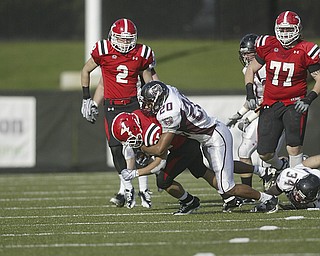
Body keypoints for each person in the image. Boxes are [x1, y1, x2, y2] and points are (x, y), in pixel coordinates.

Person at [138, 80, 280, 213]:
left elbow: (160, 149)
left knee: (227, 187)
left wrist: (142, 148)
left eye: (150, 102)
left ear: (159, 98)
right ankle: (263, 171)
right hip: (208, 135)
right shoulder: (168, 90)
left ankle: (268, 199)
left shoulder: (169, 113)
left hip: (215, 137)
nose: (148, 106)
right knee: (224, 166)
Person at [114, 110, 277, 214]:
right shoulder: (138, 116)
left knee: (163, 180)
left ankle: (190, 201)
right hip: (190, 140)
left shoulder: (150, 133)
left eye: (128, 138)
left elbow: (159, 162)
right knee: (209, 170)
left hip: (187, 145)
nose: (128, 142)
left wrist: (136, 172)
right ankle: (247, 184)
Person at [80, 18, 159, 208]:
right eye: (121, 39)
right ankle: (125, 188)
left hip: (134, 104)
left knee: (137, 147)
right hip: (112, 106)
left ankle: (142, 188)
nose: (125, 43)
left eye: (128, 39)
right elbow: (100, 81)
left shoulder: (141, 53)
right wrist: (89, 101)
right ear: (112, 37)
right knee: (116, 148)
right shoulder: (103, 51)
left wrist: (154, 102)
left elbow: (151, 81)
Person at [244, 10, 320, 171]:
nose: (285, 33)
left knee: (293, 147)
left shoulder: (307, 49)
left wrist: (309, 98)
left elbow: (319, 77)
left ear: (297, 29)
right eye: (282, 29)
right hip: (270, 103)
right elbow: (251, 69)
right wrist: (250, 93)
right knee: (264, 153)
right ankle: (282, 166)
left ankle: (294, 182)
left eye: (289, 29)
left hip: (294, 103)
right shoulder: (268, 45)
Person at [227, 33, 285, 194]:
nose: (245, 56)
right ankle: (249, 191)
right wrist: (238, 114)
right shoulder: (248, 69)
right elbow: (254, 99)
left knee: (266, 156)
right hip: (263, 112)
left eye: (248, 52)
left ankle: (284, 170)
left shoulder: (266, 68)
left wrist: (249, 117)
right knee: (243, 151)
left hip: (274, 113)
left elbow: (267, 98)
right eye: (243, 52)